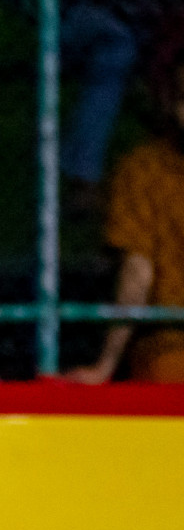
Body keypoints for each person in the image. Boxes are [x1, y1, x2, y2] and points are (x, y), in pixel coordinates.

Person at [68, 48, 184, 384]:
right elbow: (138, 274)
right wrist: (106, 365)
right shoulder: (143, 171)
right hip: (170, 346)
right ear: (170, 104)